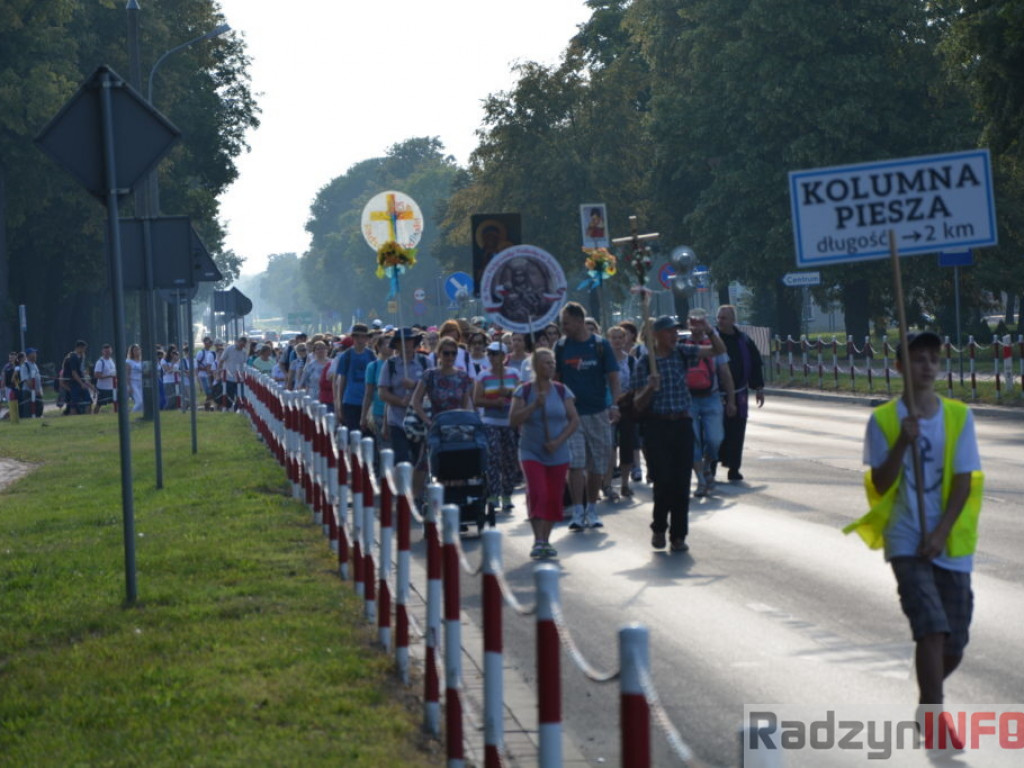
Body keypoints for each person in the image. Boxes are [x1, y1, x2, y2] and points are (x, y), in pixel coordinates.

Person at [844, 331, 983, 716]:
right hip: (905, 536)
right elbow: (881, 482)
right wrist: (903, 443)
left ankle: (927, 693)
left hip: (949, 540)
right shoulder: (884, 420)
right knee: (931, 627)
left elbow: (963, 480)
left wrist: (940, 533)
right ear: (899, 366)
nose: (927, 366)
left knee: (953, 643)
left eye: (932, 359)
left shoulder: (958, 416)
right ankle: (935, 715)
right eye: (918, 359)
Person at [632, 315, 726, 552]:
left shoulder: (682, 353)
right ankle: (659, 527)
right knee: (663, 481)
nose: (674, 335)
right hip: (657, 426)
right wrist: (649, 389)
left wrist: (709, 331)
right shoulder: (645, 362)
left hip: (682, 423)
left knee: (682, 482)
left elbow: (717, 351)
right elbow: (636, 404)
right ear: (656, 335)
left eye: (676, 331)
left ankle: (679, 535)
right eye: (669, 332)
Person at [554, 301, 620, 531]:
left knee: (597, 465)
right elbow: (556, 380)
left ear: (580, 321)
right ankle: (578, 511)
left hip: (598, 412)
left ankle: (592, 509)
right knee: (575, 463)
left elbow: (613, 377)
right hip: (572, 416)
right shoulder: (561, 347)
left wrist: (615, 405)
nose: (564, 328)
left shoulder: (600, 345)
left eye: (567, 323)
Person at [510, 348, 579, 559]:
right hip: (532, 451)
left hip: (558, 453)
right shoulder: (524, 391)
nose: (550, 366)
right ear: (535, 366)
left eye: (552, 363)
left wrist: (558, 441)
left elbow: (574, 420)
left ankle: (546, 539)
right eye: (546, 363)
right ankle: (538, 540)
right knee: (538, 491)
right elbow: (513, 420)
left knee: (553, 496)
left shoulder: (561, 390)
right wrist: (534, 405)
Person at [685, 309, 736, 497]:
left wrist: (731, 400)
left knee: (715, 439)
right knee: (693, 441)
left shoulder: (713, 344)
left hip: (711, 397)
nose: (696, 325)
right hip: (688, 399)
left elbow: (725, 373)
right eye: (693, 322)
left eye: (700, 322)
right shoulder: (682, 344)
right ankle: (700, 479)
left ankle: (707, 464)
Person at [715, 304, 764, 481]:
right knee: (714, 432)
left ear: (733, 320)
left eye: (724, 318)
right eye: (719, 317)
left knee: (737, 432)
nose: (720, 321)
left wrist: (758, 387)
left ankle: (734, 468)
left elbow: (755, 364)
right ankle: (710, 468)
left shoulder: (744, 340)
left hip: (739, 393)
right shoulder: (711, 339)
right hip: (715, 394)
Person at [378, 327, 429, 496]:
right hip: (398, 420)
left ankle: (418, 492)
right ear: (397, 346)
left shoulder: (425, 362)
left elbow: (434, 387)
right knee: (401, 459)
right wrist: (399, 401)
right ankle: (403, 493)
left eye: (409, 342)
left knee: (419, 460)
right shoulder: (390, 364)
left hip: (420, 420)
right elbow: (382, 392)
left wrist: (414, 386)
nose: (406, 346)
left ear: (415, 343)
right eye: (402, 343)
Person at [473, 342, 521, 516]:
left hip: (509, 422)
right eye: (491, 354)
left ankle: (507, 494)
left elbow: (522, 394)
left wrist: (508, 394)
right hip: (490, 421)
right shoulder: (483, 376)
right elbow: (477, 399)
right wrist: (494, 401)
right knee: (493, 457)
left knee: (509, 459)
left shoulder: (514, 374)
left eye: (497, 354)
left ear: (504, 356)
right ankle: (493, 494)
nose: (493, 357)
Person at [607, 325, 638, 499]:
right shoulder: (604, 360)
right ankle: (607, 484)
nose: (618, 341)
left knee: (627, 445)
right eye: (614, 338)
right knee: (609, 446)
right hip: (608, 406)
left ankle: (625, 483)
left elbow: (636, 383)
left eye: (620, 337)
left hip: (627, 407)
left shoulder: (631, 361)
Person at [333, 323, 375, 431]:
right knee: (353, 435)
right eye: (357, 336)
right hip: (350, 401)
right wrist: (339, 404)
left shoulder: (371, 355)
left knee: (368, 436)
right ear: (352, 338)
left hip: (368, 402)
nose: (360, 339)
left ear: (367, 338)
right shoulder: (346, 356)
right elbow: (342, 381)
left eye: (363, 336)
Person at [218, 336, 249, 410]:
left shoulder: (244, 352)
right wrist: (219, 373)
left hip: (240, 379)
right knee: (229, 397)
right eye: (241, 344)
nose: (242, 346)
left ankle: (236, 409)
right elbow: (221, 360)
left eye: (243, 345)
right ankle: (229, 410)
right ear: (238, 342)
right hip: (229, 378)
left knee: (241, 396)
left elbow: (245, 364)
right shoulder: (229, 349)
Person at [65, 340, 94, 415]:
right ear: (79, 348)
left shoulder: (82, 357)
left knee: (89, 401)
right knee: (74, 402)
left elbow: (82, 372)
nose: (85, 350)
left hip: (82, 382)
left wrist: (89, 384)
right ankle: (72, 417)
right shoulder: (73, 357)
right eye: (84, 348)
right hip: (74, 383)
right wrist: (81, 383)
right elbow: (74, 373)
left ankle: (88, 416)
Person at [18, 348, 44, 418]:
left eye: (35, 354)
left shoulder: (35, 365)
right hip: (28, 392)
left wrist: (39, 390)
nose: (35, 355)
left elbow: (38, 378)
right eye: (33, 354)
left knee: (39, 408)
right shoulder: (24, 366)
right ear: (29, 355)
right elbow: (26, 380)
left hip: (37, 392)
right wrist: (34, 390)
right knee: (28, 410)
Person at [195, 336, 219, 410]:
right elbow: (196, 365)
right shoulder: (200, 353)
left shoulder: (213, 353)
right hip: (203, 375)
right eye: (209, 342)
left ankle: (208, 406)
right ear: (204, 343)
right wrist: (204, 369)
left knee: (212, 392)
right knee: (209, 392)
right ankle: (206, 407)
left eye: (211, 342)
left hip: (210, 375)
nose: (210, 344)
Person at [93, 343, 118, 414]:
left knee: (116, 401)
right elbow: (97, 375)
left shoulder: (111, 361)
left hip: (112, 387)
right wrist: (110, 376)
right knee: (99, 403)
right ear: (102, 352)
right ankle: (94, 415)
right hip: (103, 388)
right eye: (106, 351)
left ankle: (115, 414)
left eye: (109, 351)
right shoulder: (100, 362)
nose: (107, 353)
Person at [126, 344, 143, 413]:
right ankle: (132, 413)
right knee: (139, 401)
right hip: (133, 382)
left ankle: (140, 414)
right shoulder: (129, 362)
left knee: (143, 402)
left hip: (141, 382)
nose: (137, 351)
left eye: (138, 349)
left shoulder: (142, 361)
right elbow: (127, 375)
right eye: (135, 350)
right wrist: (129, 386)